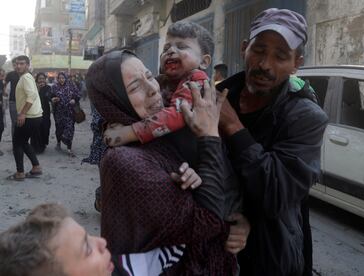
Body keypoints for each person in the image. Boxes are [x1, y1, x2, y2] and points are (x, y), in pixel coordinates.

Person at [86, 49, 245, 275]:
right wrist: (209, 136)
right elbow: (207, 220)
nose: (152, 89)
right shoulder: (123, 161)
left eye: (149, 77)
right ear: (113, 101)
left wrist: (197, 182)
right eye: (134, 88)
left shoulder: (165, 134)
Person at [215, 8, 329, 275]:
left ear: (296, 63)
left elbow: (276, 192)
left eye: (280, 56)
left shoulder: (306, 117)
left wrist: (232, 126)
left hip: (268, 253)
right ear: (244, 48)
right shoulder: (217, 97)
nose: (265, 64)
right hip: (210, 242)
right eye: (259, 50)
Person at [102, 21, 212, 147]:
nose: (170, 50)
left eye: (181, 47)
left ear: (204, 61)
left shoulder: (197, 80)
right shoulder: (162, 80)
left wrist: (128, 133)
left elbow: (178, 113)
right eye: (166, 48)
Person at [0, 203, 187, 276]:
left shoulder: (120, 269)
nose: (102, 242)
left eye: (88, 235)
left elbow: (171, 251)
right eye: (87, 249)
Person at [6, 55, 43, 181]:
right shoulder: (26, 77)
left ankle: (20, 173)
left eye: (21, 63)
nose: (18, 66)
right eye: (16, 64)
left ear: (27, 65)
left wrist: (22, 114)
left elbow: (31, 96)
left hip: (29, 116)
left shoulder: (26, 77)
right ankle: (36, 167)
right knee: (22, 141)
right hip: (34, 116)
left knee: (17, 143)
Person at [51, 72, 80, 156]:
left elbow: (78, 95)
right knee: (59, 128)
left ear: (66, 78)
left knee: (70, 128)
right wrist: (53, 99)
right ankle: (59, 142)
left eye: (63, 78)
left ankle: (69, 148)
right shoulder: (54, 87)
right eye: (59, 78)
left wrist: (74, 99)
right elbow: (50, 96)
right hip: (59, 112)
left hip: (70, 112)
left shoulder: (72, 85)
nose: (61, 79)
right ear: (57, 78)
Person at [30, 72, 52, 153]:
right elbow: (31, 97)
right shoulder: (33, 87)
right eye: (40, 79)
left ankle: (43, 145)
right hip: (35, 111)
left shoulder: (48, 87)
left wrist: (52, 99)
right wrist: (38, 89)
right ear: (37, 79)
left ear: (45, 79)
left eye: (43, 78)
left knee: (45, 128)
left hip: (45, 111)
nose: (41, 80)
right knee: (36, 129)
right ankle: (35, 147)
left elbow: (49, 96)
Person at [4, 58, 19, 136]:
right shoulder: (10, 74)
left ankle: (23, 143)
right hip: (13, 101)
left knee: (24, 122)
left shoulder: (26, 74)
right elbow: (4, 83)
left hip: (24, 101)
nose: (16, 66)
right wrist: (4, 92)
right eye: (14, 65)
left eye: (17, 64)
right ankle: (15, 144)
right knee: (14, 122)